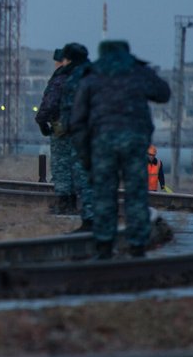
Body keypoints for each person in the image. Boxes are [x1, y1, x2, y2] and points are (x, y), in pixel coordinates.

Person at [69, 38, 172, 260]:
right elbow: (163, 93)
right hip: (135, 141)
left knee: (104, 194)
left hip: (102, 142)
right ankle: (137, 244)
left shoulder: (91, 75)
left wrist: (85, 156)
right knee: (136, 193)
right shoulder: (137, 72)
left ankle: (104, 245)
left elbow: (77, 120)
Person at [35, 42, 92, 226]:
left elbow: (50, 103)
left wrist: (42, 121)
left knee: (61, 165)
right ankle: (86, 205)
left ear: (67, 59)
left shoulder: (62, 78)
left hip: (64, 129)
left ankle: (65, 203)